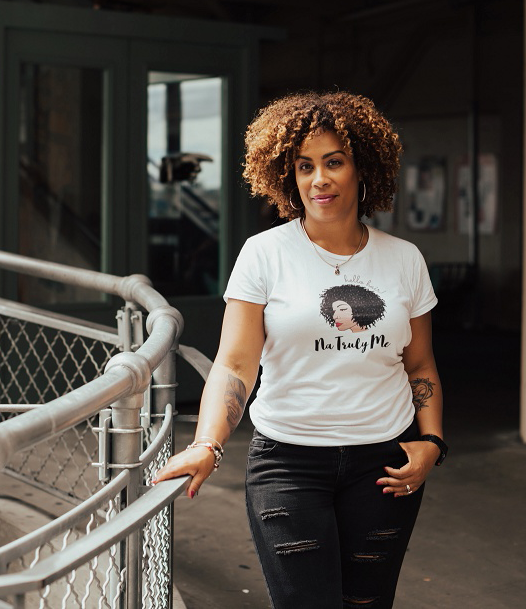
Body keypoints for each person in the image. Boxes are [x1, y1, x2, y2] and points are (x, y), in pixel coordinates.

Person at [153, 91, 447, 608]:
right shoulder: (264, 254)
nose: (319, 179)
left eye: (334, 162)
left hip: (386, 463)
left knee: (367, 603)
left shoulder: (405, 260)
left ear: (363, 169)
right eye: (304, 166)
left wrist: (432, 443)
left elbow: (419, 364)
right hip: (287, 463)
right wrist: (208, 443)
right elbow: (235, 362)